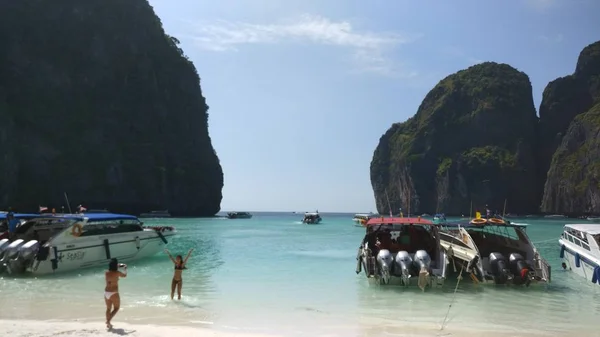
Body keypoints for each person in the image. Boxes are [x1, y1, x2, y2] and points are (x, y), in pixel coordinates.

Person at [104, 258, 127, 329]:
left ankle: (108, 323)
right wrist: (125, 268)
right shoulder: (117, 273)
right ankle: (108, 321)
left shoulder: (106, 272)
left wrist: (118, 265)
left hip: (106, 292)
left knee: (108, 308)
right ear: (116, 266)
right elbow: (125, 275)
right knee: (116, 308)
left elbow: (113, 269)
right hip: (114, 292)